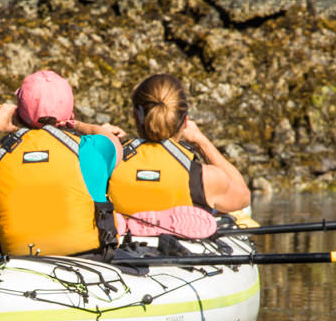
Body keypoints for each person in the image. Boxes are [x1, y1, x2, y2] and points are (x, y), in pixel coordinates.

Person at [0, 70, 124, 256]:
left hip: (21, 266)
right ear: (70, 115)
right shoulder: (91, 150)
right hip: (88, 262)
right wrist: (80, 125)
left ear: (17, 116)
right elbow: (115, 144)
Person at [108, 74, 251, 235]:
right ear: (185, 121)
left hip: (123, 249)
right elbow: (244, 197)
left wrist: (96, 137)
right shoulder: (204, 177)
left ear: (136, 116)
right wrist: (201, 142)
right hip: (181, 250)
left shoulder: (107, 165)